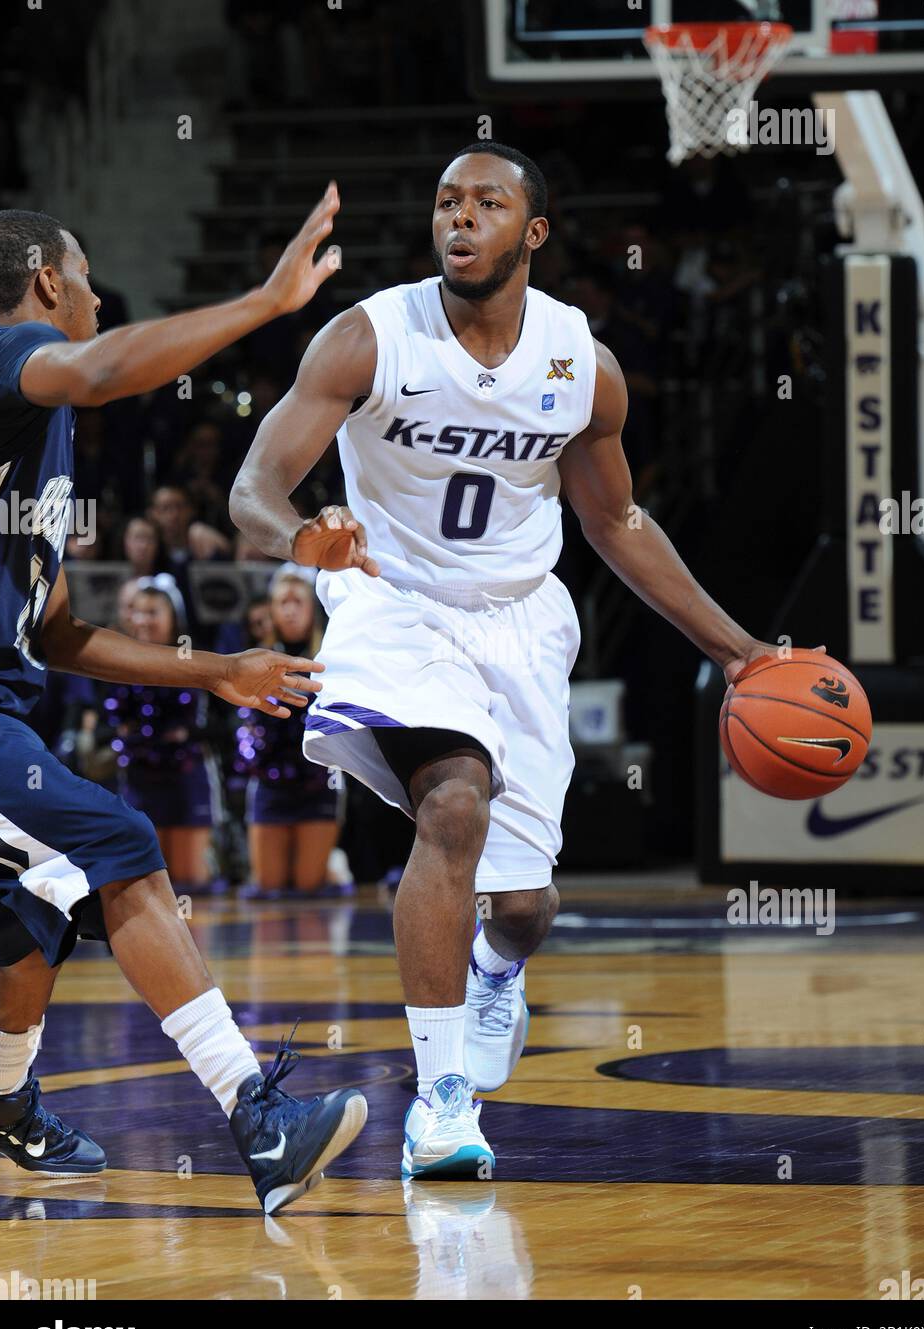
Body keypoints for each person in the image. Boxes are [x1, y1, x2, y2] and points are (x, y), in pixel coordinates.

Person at [230, 142, 809, 1179]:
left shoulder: (579, 362)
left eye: (486, 204)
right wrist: (297, 537)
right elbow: (252, 488)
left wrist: (735, 649)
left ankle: (497, 967)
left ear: (532, 232)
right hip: (394, 601)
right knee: (452, 803)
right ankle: (441, 1103)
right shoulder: (368, 337)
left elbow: (615, 518)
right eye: (447, 202)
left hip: (519, 619)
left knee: (525, 903)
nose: (460, 219)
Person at [0, 193, 369, 1214]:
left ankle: (2, 1107)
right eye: (89, 274)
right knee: (116, 841)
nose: (102, 295)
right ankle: (258, 1117)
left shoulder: (38, 428)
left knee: (25, 917)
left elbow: (59, 630)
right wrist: (266, 300)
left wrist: (218, 669)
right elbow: (107, 368)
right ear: (47, 284)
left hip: (2, 713)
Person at [236, 566, 345, 895]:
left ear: (313, 608)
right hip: (269, 783)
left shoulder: (331, 657)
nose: (290, 609)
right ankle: (335, 869)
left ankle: (334, 870)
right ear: (270, 609)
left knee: (307, 888)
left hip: (318, 782)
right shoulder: (254, 658)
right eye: (282, 602)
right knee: (268, 888)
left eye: (298, 601)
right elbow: (244, 724)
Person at [108, 576, 221, 890]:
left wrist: (182, 734)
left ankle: (199, 940)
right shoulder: (118, 662)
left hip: (186, 778)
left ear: (174, 617)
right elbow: (116, 722)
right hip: (139, 779)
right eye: (137, 612)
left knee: (189, 883)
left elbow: (211, 726)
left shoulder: (196, 661)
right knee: (147, 882)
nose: (143, 620)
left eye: (153, 612)